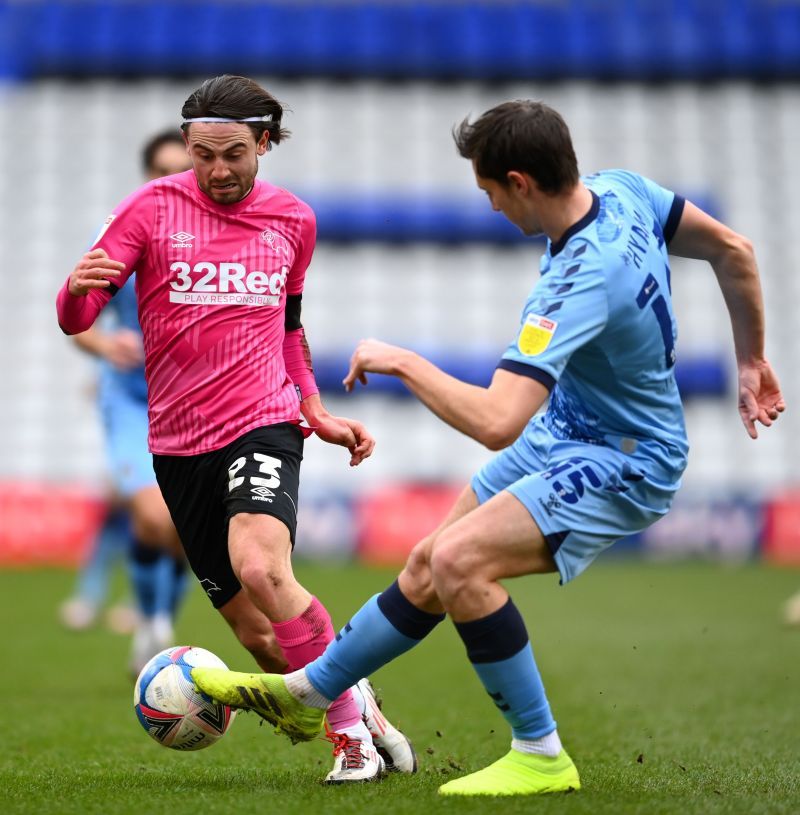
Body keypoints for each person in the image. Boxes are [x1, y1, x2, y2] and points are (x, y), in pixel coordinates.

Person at [189, 100, 786, 797]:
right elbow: (734, 249)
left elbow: (499, 419)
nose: (494, 208)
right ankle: (312, 691)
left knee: (458, 561)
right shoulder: (622, 187)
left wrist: (404, 362)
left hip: (625, 457)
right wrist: (752, 360)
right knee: (426, 565)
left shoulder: (578, 282)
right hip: (567, 430)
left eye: (490, 192)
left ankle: (539, 752)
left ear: (519, 180)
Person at [56, 75, 416, 783]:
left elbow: (288, 330)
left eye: (234, 154)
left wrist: (310, 407)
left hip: (263, 423)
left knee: (263, 567)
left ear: (265, 143)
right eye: (202, 155)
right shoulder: (146, 211)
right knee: (259, 637)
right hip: (179, 445)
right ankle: (362, 704)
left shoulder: (293, 221)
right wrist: (74, 291)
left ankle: (351, 742)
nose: (217, 170)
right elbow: (78, 318)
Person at [60, 131, 194, 670]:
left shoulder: (218, 239)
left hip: (193, 404)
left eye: (181, 169)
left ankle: (157, 623)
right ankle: (149, 619)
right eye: (161, 170)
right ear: (146, 177)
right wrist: (105, 343)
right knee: (152, 517)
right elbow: (76, 320)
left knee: (185, 528)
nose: (171, 180)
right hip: (132, 402)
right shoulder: (121, 235)